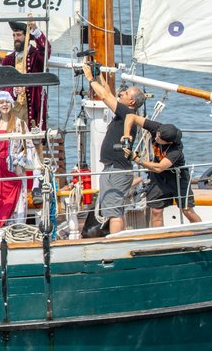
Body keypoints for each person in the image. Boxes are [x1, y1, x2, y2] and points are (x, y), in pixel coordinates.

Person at [82, 62, 146, 234]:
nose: (121, 92)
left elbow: (104, 97)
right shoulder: (125, 113)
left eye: (125, 93)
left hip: (116, 170)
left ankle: (116, 241)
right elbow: (109, 93)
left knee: (114, 212)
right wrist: (99, 75)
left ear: (131, 101)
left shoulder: (127, 113)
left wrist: (89, 78)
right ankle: (116, 238)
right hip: (113, 168)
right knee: (114, 209)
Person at [122, 115, 201, 228]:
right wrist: (126, 135)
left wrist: (137, 159)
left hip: (177, 178)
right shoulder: (157, 128)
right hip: (159, 178)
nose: (156, 138)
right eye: (157, 134)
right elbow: (131, 117)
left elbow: (159, 168)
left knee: (187, 210)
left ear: (169, 142)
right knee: (156, 211)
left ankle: (202, 231)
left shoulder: (175, 151)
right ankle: (158, 235)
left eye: (160, 138)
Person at [0, 91, 37, 229]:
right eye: (1, 103)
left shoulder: (20, 124)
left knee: (14, 201)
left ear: (11, 104)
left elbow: (29, 146)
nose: (4, 105)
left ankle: (14, 226)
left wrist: (21, 162)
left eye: (7, 102)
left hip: (13, 168)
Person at [1, 20, 52, 130]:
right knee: (14, 134)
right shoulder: (9, 59)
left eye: (19, 35)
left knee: (34, 134)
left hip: (33, 104)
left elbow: (46, 51)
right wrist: (13, 90)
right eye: (14, 35)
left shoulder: (36, 55)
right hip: (14, 106)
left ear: (27, 37)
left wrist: (35, 29)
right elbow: (3, 84)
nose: (16, 38)